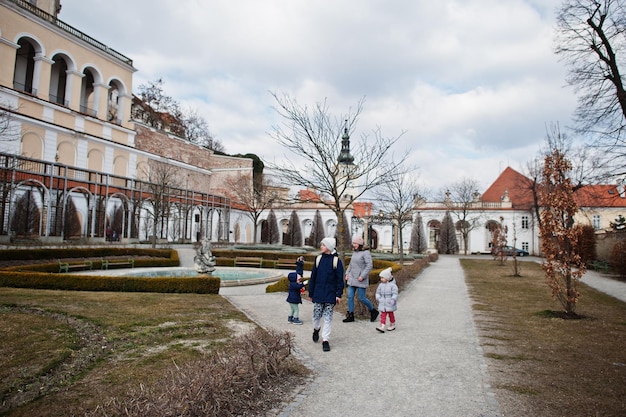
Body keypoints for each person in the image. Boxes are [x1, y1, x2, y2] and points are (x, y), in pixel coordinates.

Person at [308, 237, 344, 352]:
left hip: (330, 294)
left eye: (323, 245)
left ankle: (325, 340)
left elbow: (340, 280)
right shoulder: (318, 259)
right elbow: (313, 277)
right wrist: (311, 292)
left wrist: (338, 294)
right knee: (316, 316)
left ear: (329, 247)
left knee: (328, 317)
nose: (321, 246)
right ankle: (316, 329)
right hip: (318, 293)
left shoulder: (336, 261)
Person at [343, 235, 378, 323]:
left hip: (360, 279)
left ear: (360, 244)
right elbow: (351, 264)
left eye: (355, 243)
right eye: (353, 243)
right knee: (350, 296)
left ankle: (373, 311)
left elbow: (369, 265)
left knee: (361, 298)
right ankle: (351, 315)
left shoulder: (366, 253)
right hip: (352, 278)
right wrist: (347, 274)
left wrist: (362, 276)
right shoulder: (354, 252)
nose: (353, 245)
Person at [375, 267, 398, 333]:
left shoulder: (393, 285)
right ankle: (382, 325)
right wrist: (378, 297)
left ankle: (392, 323)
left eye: (382, 277)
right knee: (383, 314)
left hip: (389, 302)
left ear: (387, 278)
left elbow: (395, 293)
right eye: (381, 278)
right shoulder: (380, 285)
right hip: (383, 302)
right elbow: (378, 292)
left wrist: (393, 299)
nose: (381, 279)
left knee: (391, 314)